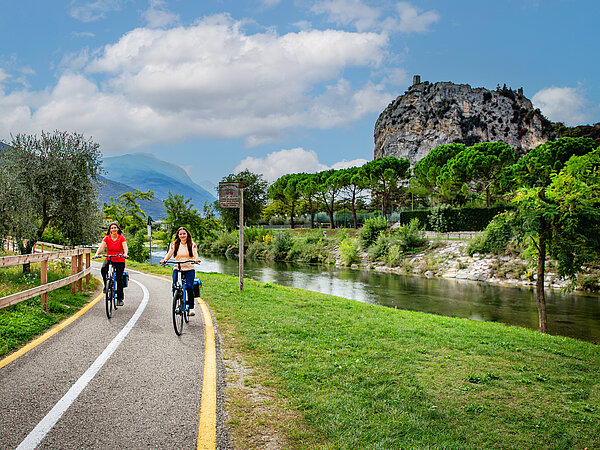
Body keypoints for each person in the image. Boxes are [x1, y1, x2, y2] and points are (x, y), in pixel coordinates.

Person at [160, 226, 200, 316]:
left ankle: (191, 308)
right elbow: (169, 254)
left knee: (189, 286)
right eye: (180, 234)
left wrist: (196, 259)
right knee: (175, 286)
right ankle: (178, 302)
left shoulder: (191, 244)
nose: (182, 236)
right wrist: (165, 260)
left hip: (189, 268)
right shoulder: (175, 244)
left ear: (187, 234)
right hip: (177, 268)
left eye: (184, 234)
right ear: (178, 235)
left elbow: (195, 253)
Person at [93, 222, 128, 306]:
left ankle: (120, 299)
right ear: (110, 230)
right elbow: (101, 247)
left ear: (118, 229)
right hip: (109, 258)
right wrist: (96, 254)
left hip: (119, 259)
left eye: (115, 227)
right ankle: (106, 285)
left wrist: (125, 253)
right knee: (103, 269)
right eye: (112, 228)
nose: (113, 229)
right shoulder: (107, 238)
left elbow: (125, 247)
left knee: (119, 278)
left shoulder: (121, 238)